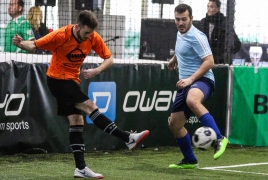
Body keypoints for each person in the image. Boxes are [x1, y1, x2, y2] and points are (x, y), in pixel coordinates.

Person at [12, 10, 149, 179]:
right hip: (57, 79)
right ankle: (127, 137)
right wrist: (20, 44)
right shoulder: (61, 35)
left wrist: (97, 70)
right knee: (90, 106)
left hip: (72, 80)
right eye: (85, 33)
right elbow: (34, 46)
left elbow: (109, 59)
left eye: (91, 33)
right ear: (77, 27)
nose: (88, 36)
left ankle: (81, 168)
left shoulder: (92, 36)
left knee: (77, 121)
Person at [167, 4, 228, 169]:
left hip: (203, 80)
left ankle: (219, 138)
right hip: (186, 83)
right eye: (178, 19)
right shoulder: (180, 33)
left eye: (184, 19)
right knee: (174, 125)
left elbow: (209, 62)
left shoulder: (197, 36)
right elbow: (183, 50)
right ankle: (190, 160)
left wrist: (190, 79)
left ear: (191, 19)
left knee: (193, 100)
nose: (180, 23)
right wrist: (175, 59)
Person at [200, 0, 241, 64]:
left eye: (212, 7)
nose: (209, 9)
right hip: (205, 62)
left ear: (218, 8)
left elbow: (237, 44)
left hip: (221, 63)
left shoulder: (225, 23)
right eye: (208, 6)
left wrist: (225, 55)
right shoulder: (203, 22)